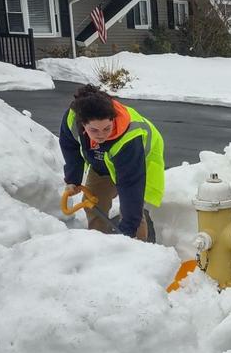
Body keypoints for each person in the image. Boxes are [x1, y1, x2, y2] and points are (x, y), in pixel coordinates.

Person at [59, 85, 165, 240]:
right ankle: (99, 246)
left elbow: (130, 185)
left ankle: (139, 251)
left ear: (113, 119)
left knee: (132, 212)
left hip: (137, 163)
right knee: (93, 204)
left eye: (107, 128)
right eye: (94, 130)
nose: (101, 135)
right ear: (82, 124)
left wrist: (127, 230)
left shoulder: (130, 136)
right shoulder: (71, 119)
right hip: (102, 164)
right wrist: (73, 179)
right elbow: (70, 147)